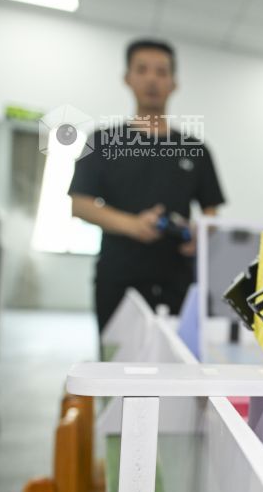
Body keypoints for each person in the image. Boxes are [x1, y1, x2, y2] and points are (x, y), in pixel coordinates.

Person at [69, 39, 225, 334]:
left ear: (174, 83)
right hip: (118, 278)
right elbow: (80, 204)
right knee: (117, 357)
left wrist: (200, 234)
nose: (152, 79)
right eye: (142, 70)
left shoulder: (196, 149)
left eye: (161, 72)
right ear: (127, 78)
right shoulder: (102, 141)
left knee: (177, 358)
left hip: (177, 281)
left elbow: (211, 211)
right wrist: (133, 225)